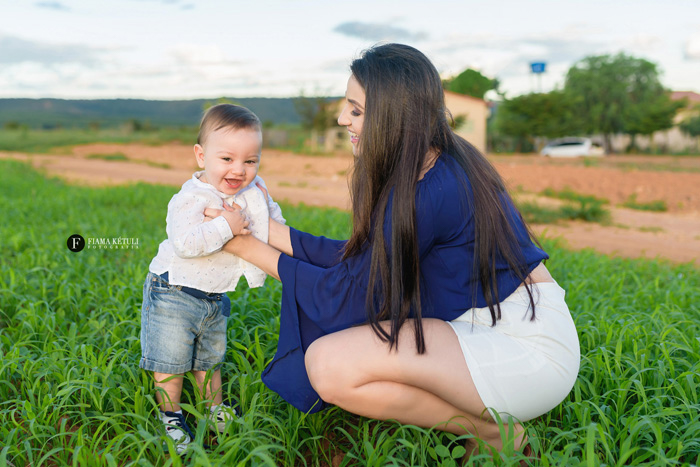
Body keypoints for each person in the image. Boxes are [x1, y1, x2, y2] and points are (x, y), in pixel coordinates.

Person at [206, 44, 580, 457]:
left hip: (526, 349)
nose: (341, 118)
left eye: (356, 109)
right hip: (481, 325)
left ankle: (491, 434)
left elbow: (347, 294)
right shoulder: (430, 163)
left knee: (330, 366)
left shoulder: (434, 190)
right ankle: (487, 426)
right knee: (332, 361)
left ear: (393, 116)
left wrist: (239, 243)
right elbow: (362, 262)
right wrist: (268, 230)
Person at [140, 104, 285, 453]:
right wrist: (226, 225)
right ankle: (171, 415)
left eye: (251, 161)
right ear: (201, 155)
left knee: (209, 359)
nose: (239, 170)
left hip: (213, 296)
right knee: (171, 364)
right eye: (227, 159)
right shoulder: (190, 198)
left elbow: (272, 224)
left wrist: (266, 203)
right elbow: (186, 243)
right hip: (173, 291)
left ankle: (214, 408)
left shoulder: (253, 190)